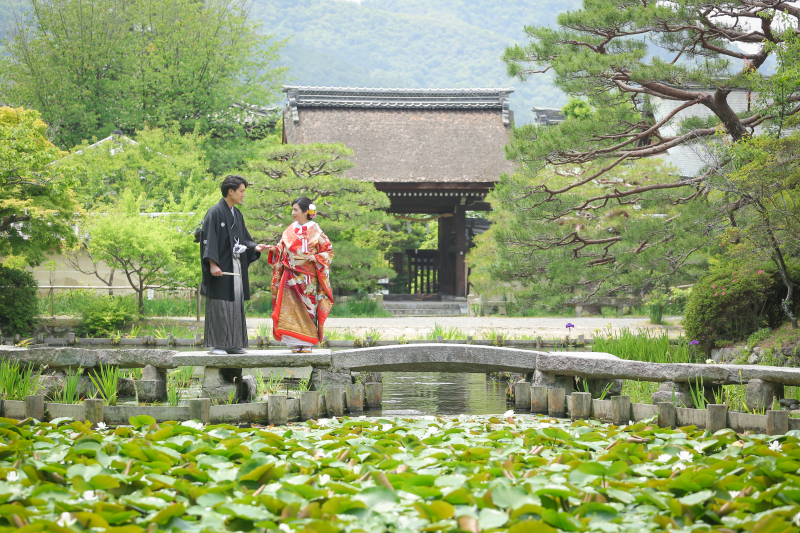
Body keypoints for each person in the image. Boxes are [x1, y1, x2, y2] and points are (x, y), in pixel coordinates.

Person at [198, 175, 267, 354]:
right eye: (241, 191)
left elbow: (244, 239)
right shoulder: (214, 212)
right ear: (231, 191)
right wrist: (212, 264)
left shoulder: (237, 214)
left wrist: (256, 247)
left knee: (235, 304)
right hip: (220, 267)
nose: (243, 195)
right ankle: (217, 345)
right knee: (220, 305)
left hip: (236, 266)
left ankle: (234, 343)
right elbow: (209, 239)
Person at [267, 197, 334, 353]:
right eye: (292, 209)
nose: (293, 213)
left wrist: (316, 257)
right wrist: (271, 249)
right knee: (290, 309)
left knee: (308, 308)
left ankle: (307, 342)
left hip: (308, 278)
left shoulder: (316, 230)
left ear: (306, 211)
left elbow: (329, 251)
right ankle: (295, 343)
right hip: (290, 275)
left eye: (296, 210)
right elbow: (281, 250)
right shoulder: (289, 230)